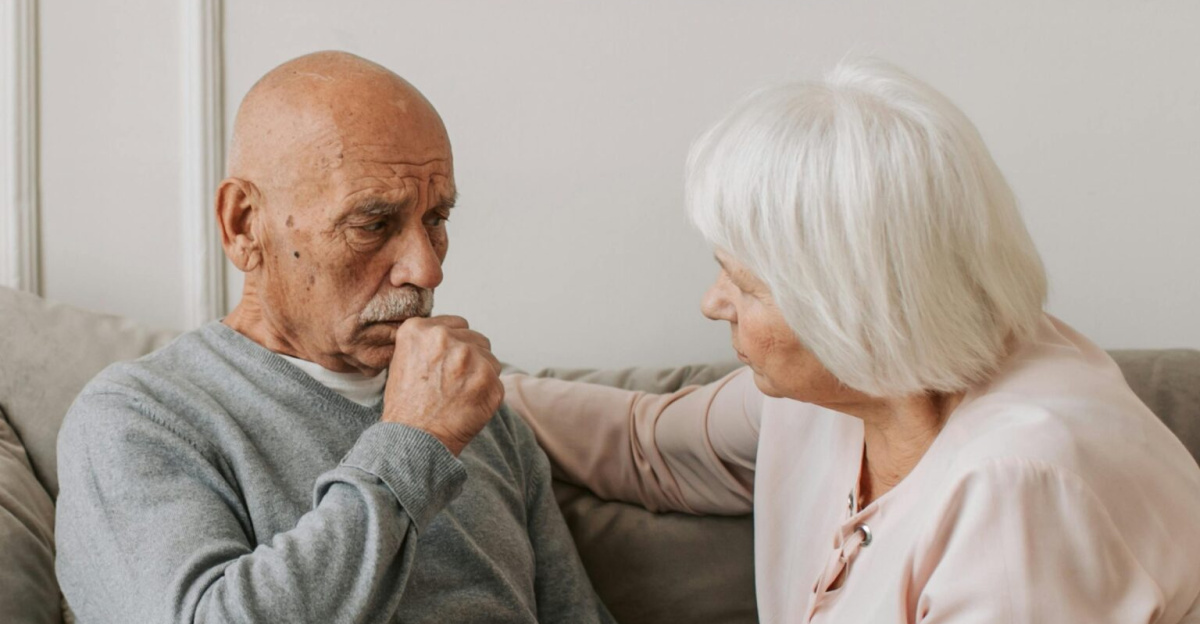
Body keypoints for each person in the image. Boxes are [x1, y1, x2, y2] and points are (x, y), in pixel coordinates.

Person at [503, 59, 1200, 622]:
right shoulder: (851, 386)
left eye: (744, 285)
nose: (712, 303)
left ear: (847, 304)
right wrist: (458, 379)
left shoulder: (1019, 488)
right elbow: (647, 446)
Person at [55, 51, 611, 623]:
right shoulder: (141, 417)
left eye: (436, 219)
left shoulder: (477, 409)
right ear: (244, 224)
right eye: (373, 224)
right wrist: (416, 441)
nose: (426, 270)